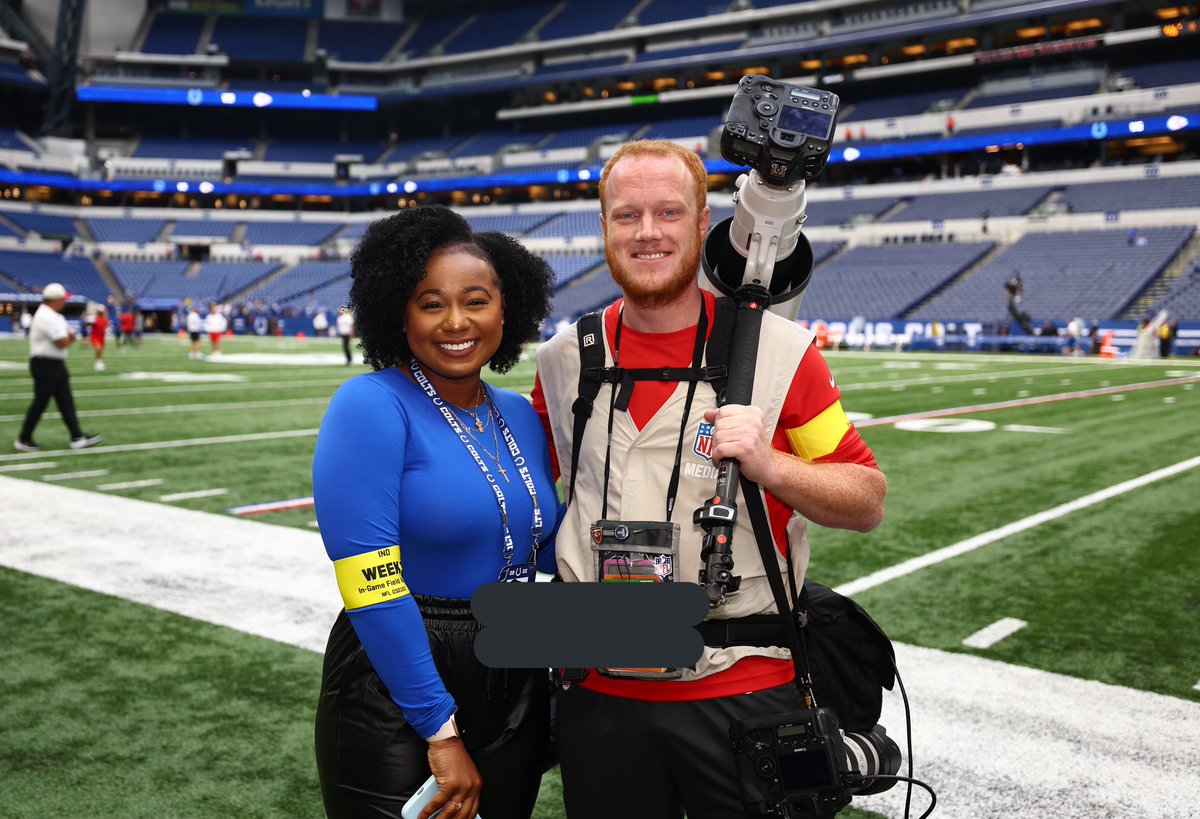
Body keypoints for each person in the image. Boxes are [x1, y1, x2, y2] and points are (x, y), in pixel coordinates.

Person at [532, 140, 886, 818]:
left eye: (669, 211)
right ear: (603, 226)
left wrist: (769, 463)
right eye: (626, 214)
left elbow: (865, 497)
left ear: (701, 224)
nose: (646, 232)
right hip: (599, 697)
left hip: (744, 691)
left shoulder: (782, 354)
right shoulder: (564, 359)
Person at [311, 205, 561, 819]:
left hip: (515, 662)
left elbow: (546, 553)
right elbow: (370, 585)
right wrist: (439, 732)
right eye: (430, 303)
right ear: (398, 311)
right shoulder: (368, 405)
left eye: (476, 300)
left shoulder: (521, 414)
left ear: (508, 309)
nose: (456, 322)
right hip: (397, 676)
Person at [14, 283, 102, 452]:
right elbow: (62, 341)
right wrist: (69, 337)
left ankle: (77, 436)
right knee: (41, 402)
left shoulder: (53, 315)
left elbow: (69, 336)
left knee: (65, 401)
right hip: (45, 363)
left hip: (54, 363)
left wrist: (69, 337)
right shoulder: (46, 316)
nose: (64, 302)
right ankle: (24, 438)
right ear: (55, 299)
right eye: (62, 299)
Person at [90, 305, 109, 371]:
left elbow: (107, 327)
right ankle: (97, 363)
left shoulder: (105, 319)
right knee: (98, 349)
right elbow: (89, 324)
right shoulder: (94, 318)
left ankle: (99, 362)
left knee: (100, 352)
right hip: (95, 337)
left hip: (102, 337)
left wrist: (108, 329)